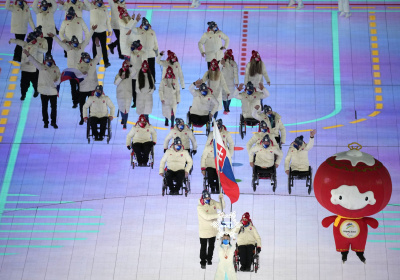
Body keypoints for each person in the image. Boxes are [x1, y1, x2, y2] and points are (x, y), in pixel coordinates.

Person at [50, 26, 95, 108]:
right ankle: (75, 102)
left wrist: (92, 30)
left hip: (80, 71)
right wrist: (53, 36)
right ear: (71, 43)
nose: (75, 44)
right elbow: (60, 43)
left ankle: (80, 99)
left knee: (81, 87)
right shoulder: (68, 48)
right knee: (73, 88)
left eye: (76, 43)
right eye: (74, 43)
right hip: (71, 72)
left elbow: (87, 39)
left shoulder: (81, 46)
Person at [24, 51, 60, 128]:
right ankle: (45, 122)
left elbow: (59, 78)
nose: (49, 61)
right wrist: (28, 54)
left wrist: (57, 81)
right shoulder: (41, 67)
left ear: (52, 60)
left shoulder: (56, 68)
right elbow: (34, 61)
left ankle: (53, 122)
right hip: (44, 91)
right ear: (45, 61)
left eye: (50, 60)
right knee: (44, 107)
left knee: (54, 108)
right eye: (47, 60)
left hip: (53, 91)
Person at [197, 190, 225, 269]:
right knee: (203, 247)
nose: (208, 198)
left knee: (211, 246)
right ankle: (203, 261)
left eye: (209, 197)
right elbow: (207, 217)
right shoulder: (200, 207)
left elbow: (222, 206)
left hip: (213, 229)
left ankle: (209, 259)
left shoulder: (212, 202)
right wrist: (218, 215)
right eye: (206, 197)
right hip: (204, 231)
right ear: (203, 197)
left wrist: (221, 199)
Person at [77, 37, 102, 125]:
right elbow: (76, 75)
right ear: (83, 58)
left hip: (92, 88)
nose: (88, 58)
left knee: (93, 104)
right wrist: (81, 73)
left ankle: (92, 118)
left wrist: (98, 45)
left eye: (88, 56)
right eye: (86, 57)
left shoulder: (93, 62)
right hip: (83, 89)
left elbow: (99, 55)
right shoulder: (78, 66)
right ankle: (82, 118)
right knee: (82, 105)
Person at [9, 33, 40, 100]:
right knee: (23, 83)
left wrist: (24, 60)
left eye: (29, 37)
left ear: (32, 38)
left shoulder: (34, 46)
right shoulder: (26, 44)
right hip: (24, 68)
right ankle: (23, 94)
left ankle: (36, 91)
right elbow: (19, 42)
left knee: (35, 82)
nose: (27, 37)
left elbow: (30, 56)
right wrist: (12, 40)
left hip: (31, 69)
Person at [84, 0, 112, 68]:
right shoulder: (92, 7)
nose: (99, 2)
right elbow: (86, 2)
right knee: (94, 46)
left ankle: (106, 62)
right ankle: (95, 61)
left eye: (100, 1)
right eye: (98, 1)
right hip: (94, 30)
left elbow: (108, 20)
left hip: (103, 31)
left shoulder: (105, 8)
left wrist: (110, 29)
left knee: (103, 47)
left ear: (102, 2)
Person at [132, 17, 159, 83]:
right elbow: (132, 28)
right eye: (145, 26)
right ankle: (142, 82)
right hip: (142, 53)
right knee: (142, 68)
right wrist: (134, 21)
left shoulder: (152, 32)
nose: (146, 27)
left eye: (147, 25)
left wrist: (156, 51)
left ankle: (152, 82)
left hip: (151, 53)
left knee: (152, 69)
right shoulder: (139, 30)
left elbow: (155, 42)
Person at [114, 61, 135, 129]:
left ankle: (125, 123)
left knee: (126, 109)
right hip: (120, 95)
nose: (125, 68)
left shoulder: (129, 75)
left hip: (128, 94)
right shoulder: (118, 75)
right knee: (121, 108)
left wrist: (130, 65)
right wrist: (121, 78)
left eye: (127, 67)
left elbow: (134, 72)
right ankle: (123, 118)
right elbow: (115, 83)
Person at [220, 49, 238, 114]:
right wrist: (222, 64)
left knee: (230, 96)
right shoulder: (222, 61)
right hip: (223, 82)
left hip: (230, 82)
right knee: (224, 96)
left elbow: (235, 73)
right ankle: (225, 108)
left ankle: (227, 107)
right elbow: (218, 69)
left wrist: (236, 82)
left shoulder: (233, 63)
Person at [129, 40, 146, 108]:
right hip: (133, 75)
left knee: (140, 89)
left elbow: (144, 63)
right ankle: (135, 102)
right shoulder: (131, 53)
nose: (131, 46)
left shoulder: (142, 53)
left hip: (140, 75)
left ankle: (141, 102)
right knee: (133, 90)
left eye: (133, 45)